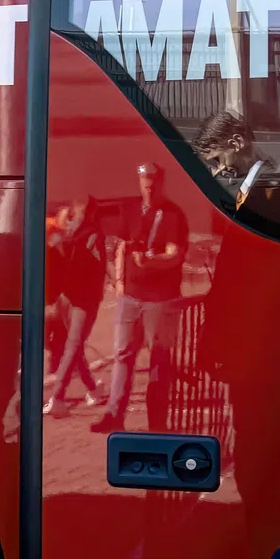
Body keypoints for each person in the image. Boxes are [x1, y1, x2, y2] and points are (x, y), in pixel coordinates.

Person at [92, 164, 186, 432]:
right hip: (130, 297)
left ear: (161, 183)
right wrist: (120, 282)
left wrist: (151, 263)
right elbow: (122, 246)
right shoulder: (131, 209)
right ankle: (114, 416)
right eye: (145, 184)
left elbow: (175, 255)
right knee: (123, 355)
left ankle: (157, 422)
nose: (149, 189)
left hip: (161, 299)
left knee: (159, 358)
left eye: (153, 184)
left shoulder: (173, 215)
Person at [43, 201, 107, 418]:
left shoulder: (88, 236)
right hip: (72, 298)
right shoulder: (66, 235)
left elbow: (95, 266)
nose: (70, 220)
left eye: (73, 215)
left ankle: (71, 394)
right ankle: (78, 393)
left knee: (73, 345)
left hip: (77, 298)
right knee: (74, 346)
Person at [195, 110, 280, 233]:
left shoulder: (271, 187)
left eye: (217, 160)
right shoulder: (248, 185)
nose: (217, 171)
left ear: (236, 143)